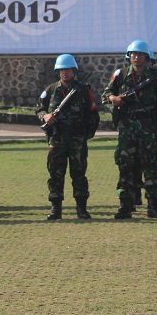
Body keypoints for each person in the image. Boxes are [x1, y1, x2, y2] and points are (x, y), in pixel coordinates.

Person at [103, 40, 157, 219]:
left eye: (140, 54)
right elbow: (105, 94)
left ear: (146, 56)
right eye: (133, 54)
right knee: (125, 166)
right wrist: (114, 99)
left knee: (151, 166)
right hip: (127, 128)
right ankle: (125, 205)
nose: (136, 57)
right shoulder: (120, 75)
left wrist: (156, 118)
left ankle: (153, 204)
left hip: (148, 128)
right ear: (129, 57)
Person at [36, 54, 99, 221]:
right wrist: (46, 116)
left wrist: (86, 135)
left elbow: (93, 114)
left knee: (79, 173)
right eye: (61, 70)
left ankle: (81, 208)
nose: (64, 73)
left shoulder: (83, 90)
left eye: (67, 69)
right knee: (55, 174)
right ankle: (55, 208)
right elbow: (39, 109)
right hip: (57, 139)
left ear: (74, 70)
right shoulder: (50, 90)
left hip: (77, 139)